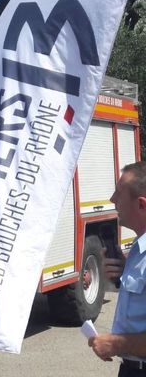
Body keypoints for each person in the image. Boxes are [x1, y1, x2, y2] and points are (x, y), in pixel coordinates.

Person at [89, 161, 146, 376]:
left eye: (119, 193)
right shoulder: (137, 250)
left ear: (141, 205)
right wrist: (124, 273)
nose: (112, 200)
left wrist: (116, 344)